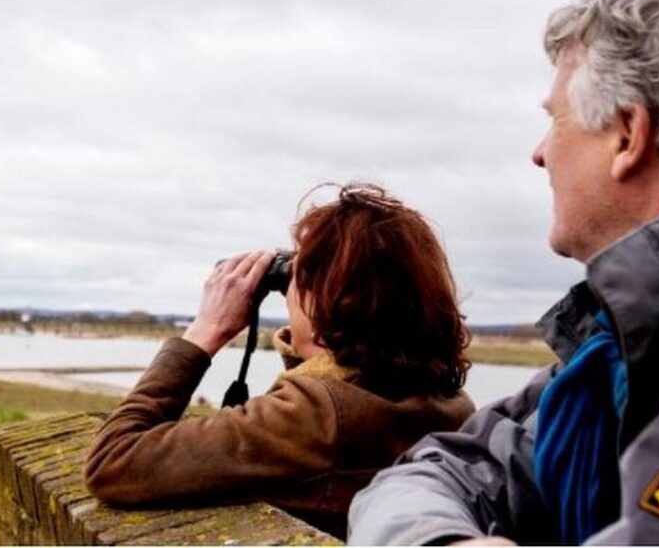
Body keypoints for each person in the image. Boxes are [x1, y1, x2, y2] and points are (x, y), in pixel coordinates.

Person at [348, 0, 659, 545]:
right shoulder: (613, 346)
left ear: (627, 136)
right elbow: (440, 469)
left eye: (555, 120)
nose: (539, 155)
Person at [84, 183, 475, 538]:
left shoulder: (316, 415)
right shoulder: (450, 406)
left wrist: (204, 331)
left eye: (298, 277)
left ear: (331, 301)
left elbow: (112, 461)